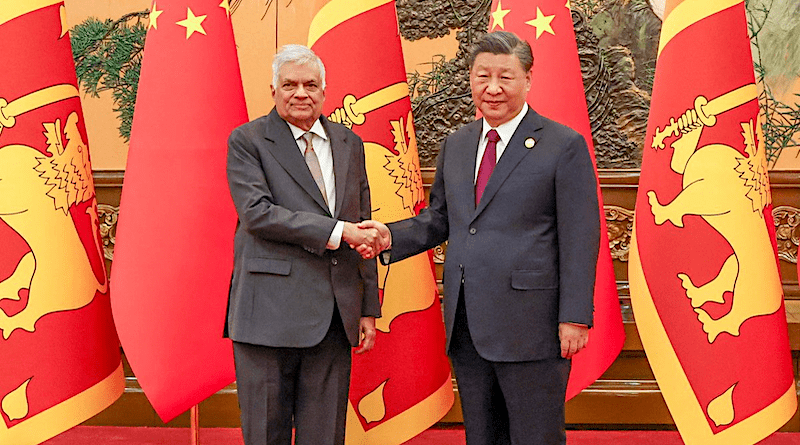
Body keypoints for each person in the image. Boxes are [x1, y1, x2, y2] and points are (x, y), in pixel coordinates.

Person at [359, 31, 600, 444]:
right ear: (469, 79)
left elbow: (581, 236)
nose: (492, 88)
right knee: (483, 435)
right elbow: (441, 219)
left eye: (505, 76)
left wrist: (574, 316)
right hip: (467, 323)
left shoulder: (562, 145)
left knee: (534, 436)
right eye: (482, 75)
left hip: (533, 327)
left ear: (527, 79)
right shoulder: (458, 143)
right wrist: (388, 237)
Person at [225, 44, 381, 445]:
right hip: (267, 316)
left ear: (324, 91)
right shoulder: (248, 141)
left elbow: (361, 222)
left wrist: (366, 308)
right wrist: (338, 232)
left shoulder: (349, 143)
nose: (300, 93)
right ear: (273, 90)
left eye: (310, 84)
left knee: (326, 436)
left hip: (334, 315)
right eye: (289, 84)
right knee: (266, 433)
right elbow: (257, 213)